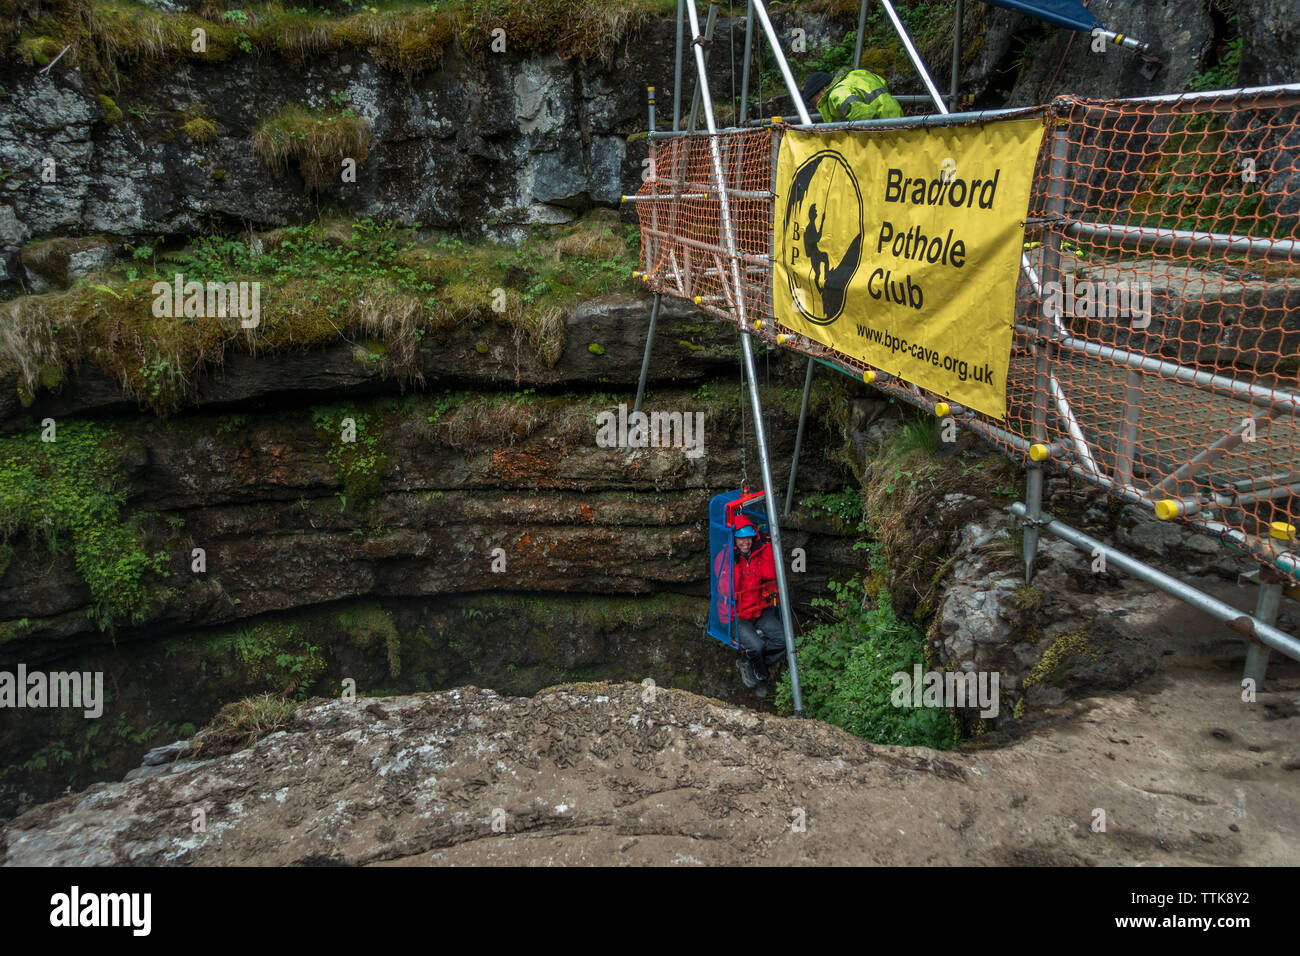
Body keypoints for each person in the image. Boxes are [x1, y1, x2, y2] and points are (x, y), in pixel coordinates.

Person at [715, 515, 785, 699]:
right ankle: (761, 675)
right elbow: (727, 590)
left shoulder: (759, 554)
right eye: (741, 538)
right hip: (736, 615)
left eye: (748, 538)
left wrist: (768, 546)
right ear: (734, 539)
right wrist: (735, 562)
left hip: (758, 608)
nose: (745, 542)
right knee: (757, 646)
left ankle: (749, 662)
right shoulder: (725, 558)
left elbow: (770, 573)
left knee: (783, 640)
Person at [800, 68, 903, 124]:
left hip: (884, 132)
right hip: (897, 119)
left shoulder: (837, 95)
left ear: (824, 89)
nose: (816, 107)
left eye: (815, 102)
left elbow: (863, 116)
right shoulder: (855, 78)